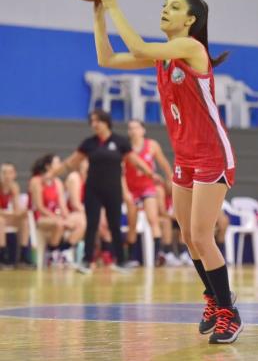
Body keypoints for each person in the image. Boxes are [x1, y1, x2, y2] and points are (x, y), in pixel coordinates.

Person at [91, 0, 242, 344]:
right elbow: (107, 58)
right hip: (185, 157)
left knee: (204, 236)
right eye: (165, 3)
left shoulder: (190, 47)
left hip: (211, 155)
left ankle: (229, 313)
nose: (165, 9)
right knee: (189, 236)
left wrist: (114, 5)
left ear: (190, 20)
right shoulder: (164, 57)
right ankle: (214, 299)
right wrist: (98, 14)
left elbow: (138, 44)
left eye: (174, 6)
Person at [52, 110, 159, 274]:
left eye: (98, 121)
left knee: (115, 225)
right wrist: (53, 173)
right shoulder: (89, 143)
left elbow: (135, 161)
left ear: (106, 122)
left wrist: (151, 174)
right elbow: (71, 162)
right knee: (92, 224)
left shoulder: (120, 142)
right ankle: (87, 261)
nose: (95, 125)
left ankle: (121, 261)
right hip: (93, 190)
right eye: (92, 122)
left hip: (113, 190)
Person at [124, 119, 173, 266]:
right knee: (132, 224)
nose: (133, 131)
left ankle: (156, 255)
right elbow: (121, 171)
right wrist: (125, 191)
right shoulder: (125, 148)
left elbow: (164, 163)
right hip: (132, 190)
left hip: (147, 187)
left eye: (136, 128)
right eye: (130, 128)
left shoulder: (152, 145)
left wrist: (170, 179)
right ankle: (132, 258)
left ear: (143, 130)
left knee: (153, 219)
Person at [29, 154, 85, 265]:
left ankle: (64, 250)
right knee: (59, 223)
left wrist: (67, 217)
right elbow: (40, 207)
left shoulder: (58, 182)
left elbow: (62, 206)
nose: (60, 165)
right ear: (48, 166)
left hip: (56, 216)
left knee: (82, 222)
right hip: (41, 218)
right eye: (57, 163)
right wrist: (58, 218)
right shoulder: (36, 181)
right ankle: (51, 254)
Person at [0, 162, 30, 267]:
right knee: (1, 221)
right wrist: (13, 214)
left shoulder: (14, 187)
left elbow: (17, 210)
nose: (7, 176)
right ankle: (2, 257)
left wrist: (22, 212)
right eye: (4, 173)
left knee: (24, 221)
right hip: (2, 219)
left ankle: (23, 257)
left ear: (14, 174)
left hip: (6, 216)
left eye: (10, 173)